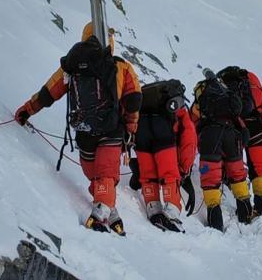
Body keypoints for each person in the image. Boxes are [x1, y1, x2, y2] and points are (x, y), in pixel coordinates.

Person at [14, 23, 142, 235]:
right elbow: (134, 100)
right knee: (106, 174)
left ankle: (107, 206)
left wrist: (27, 110)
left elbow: (49, 91)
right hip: (112, 130)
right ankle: (102, 211)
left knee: (96, 174)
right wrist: (130, 129)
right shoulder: (121, 66)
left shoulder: (73, 64)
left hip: (84, 130)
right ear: (110, 41)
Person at [129, 79, 197, 231]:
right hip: (163, 131)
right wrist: (184, 169)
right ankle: (171, 213)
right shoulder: (177, 107)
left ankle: (153, 209)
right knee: (169, 174)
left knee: (148, 175)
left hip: (141, 129)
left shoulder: (146, 103)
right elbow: (189, 138)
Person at [217, 67, 262, 216]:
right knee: (259, 166)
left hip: (235, 129)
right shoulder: (256, 88)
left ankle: (242, 204)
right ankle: (261, 208)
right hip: (257, 129)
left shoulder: (225, 90)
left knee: (235, 165)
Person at [191, 71, 252, 231]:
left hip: (210, 135)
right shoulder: (226, 95)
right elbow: (239, 120)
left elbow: (194, 119)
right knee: (238, 175)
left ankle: (216, 224)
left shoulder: (203, 97)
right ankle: (246, 217)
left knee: (210, 180)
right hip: (232, 134)